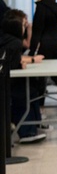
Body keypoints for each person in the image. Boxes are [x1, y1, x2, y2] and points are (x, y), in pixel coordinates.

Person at [2, 10, 45, 144]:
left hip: (5, 80)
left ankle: (34, 124)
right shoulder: (14, 42)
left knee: (30, 89)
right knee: (25, 92)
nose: (25, 28)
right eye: (23, 25)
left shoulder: (6, 39)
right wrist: (28, 61)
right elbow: (15, 65)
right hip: (7, 83)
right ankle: (27, 131)